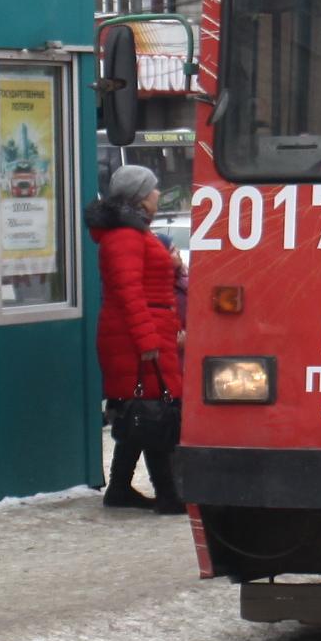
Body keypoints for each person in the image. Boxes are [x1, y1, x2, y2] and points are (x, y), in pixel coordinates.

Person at [90, 167, 186, 514]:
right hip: (138, 338)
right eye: (154, 188)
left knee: (139, 410)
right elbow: (129, 292)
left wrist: (171, 266)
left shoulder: (132, 233)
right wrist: (148, 341)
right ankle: (169, 494)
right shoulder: (126, 237)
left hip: (143, 332)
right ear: (140, 195)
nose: (159, 193)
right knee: (154, 411)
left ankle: (119, 488)